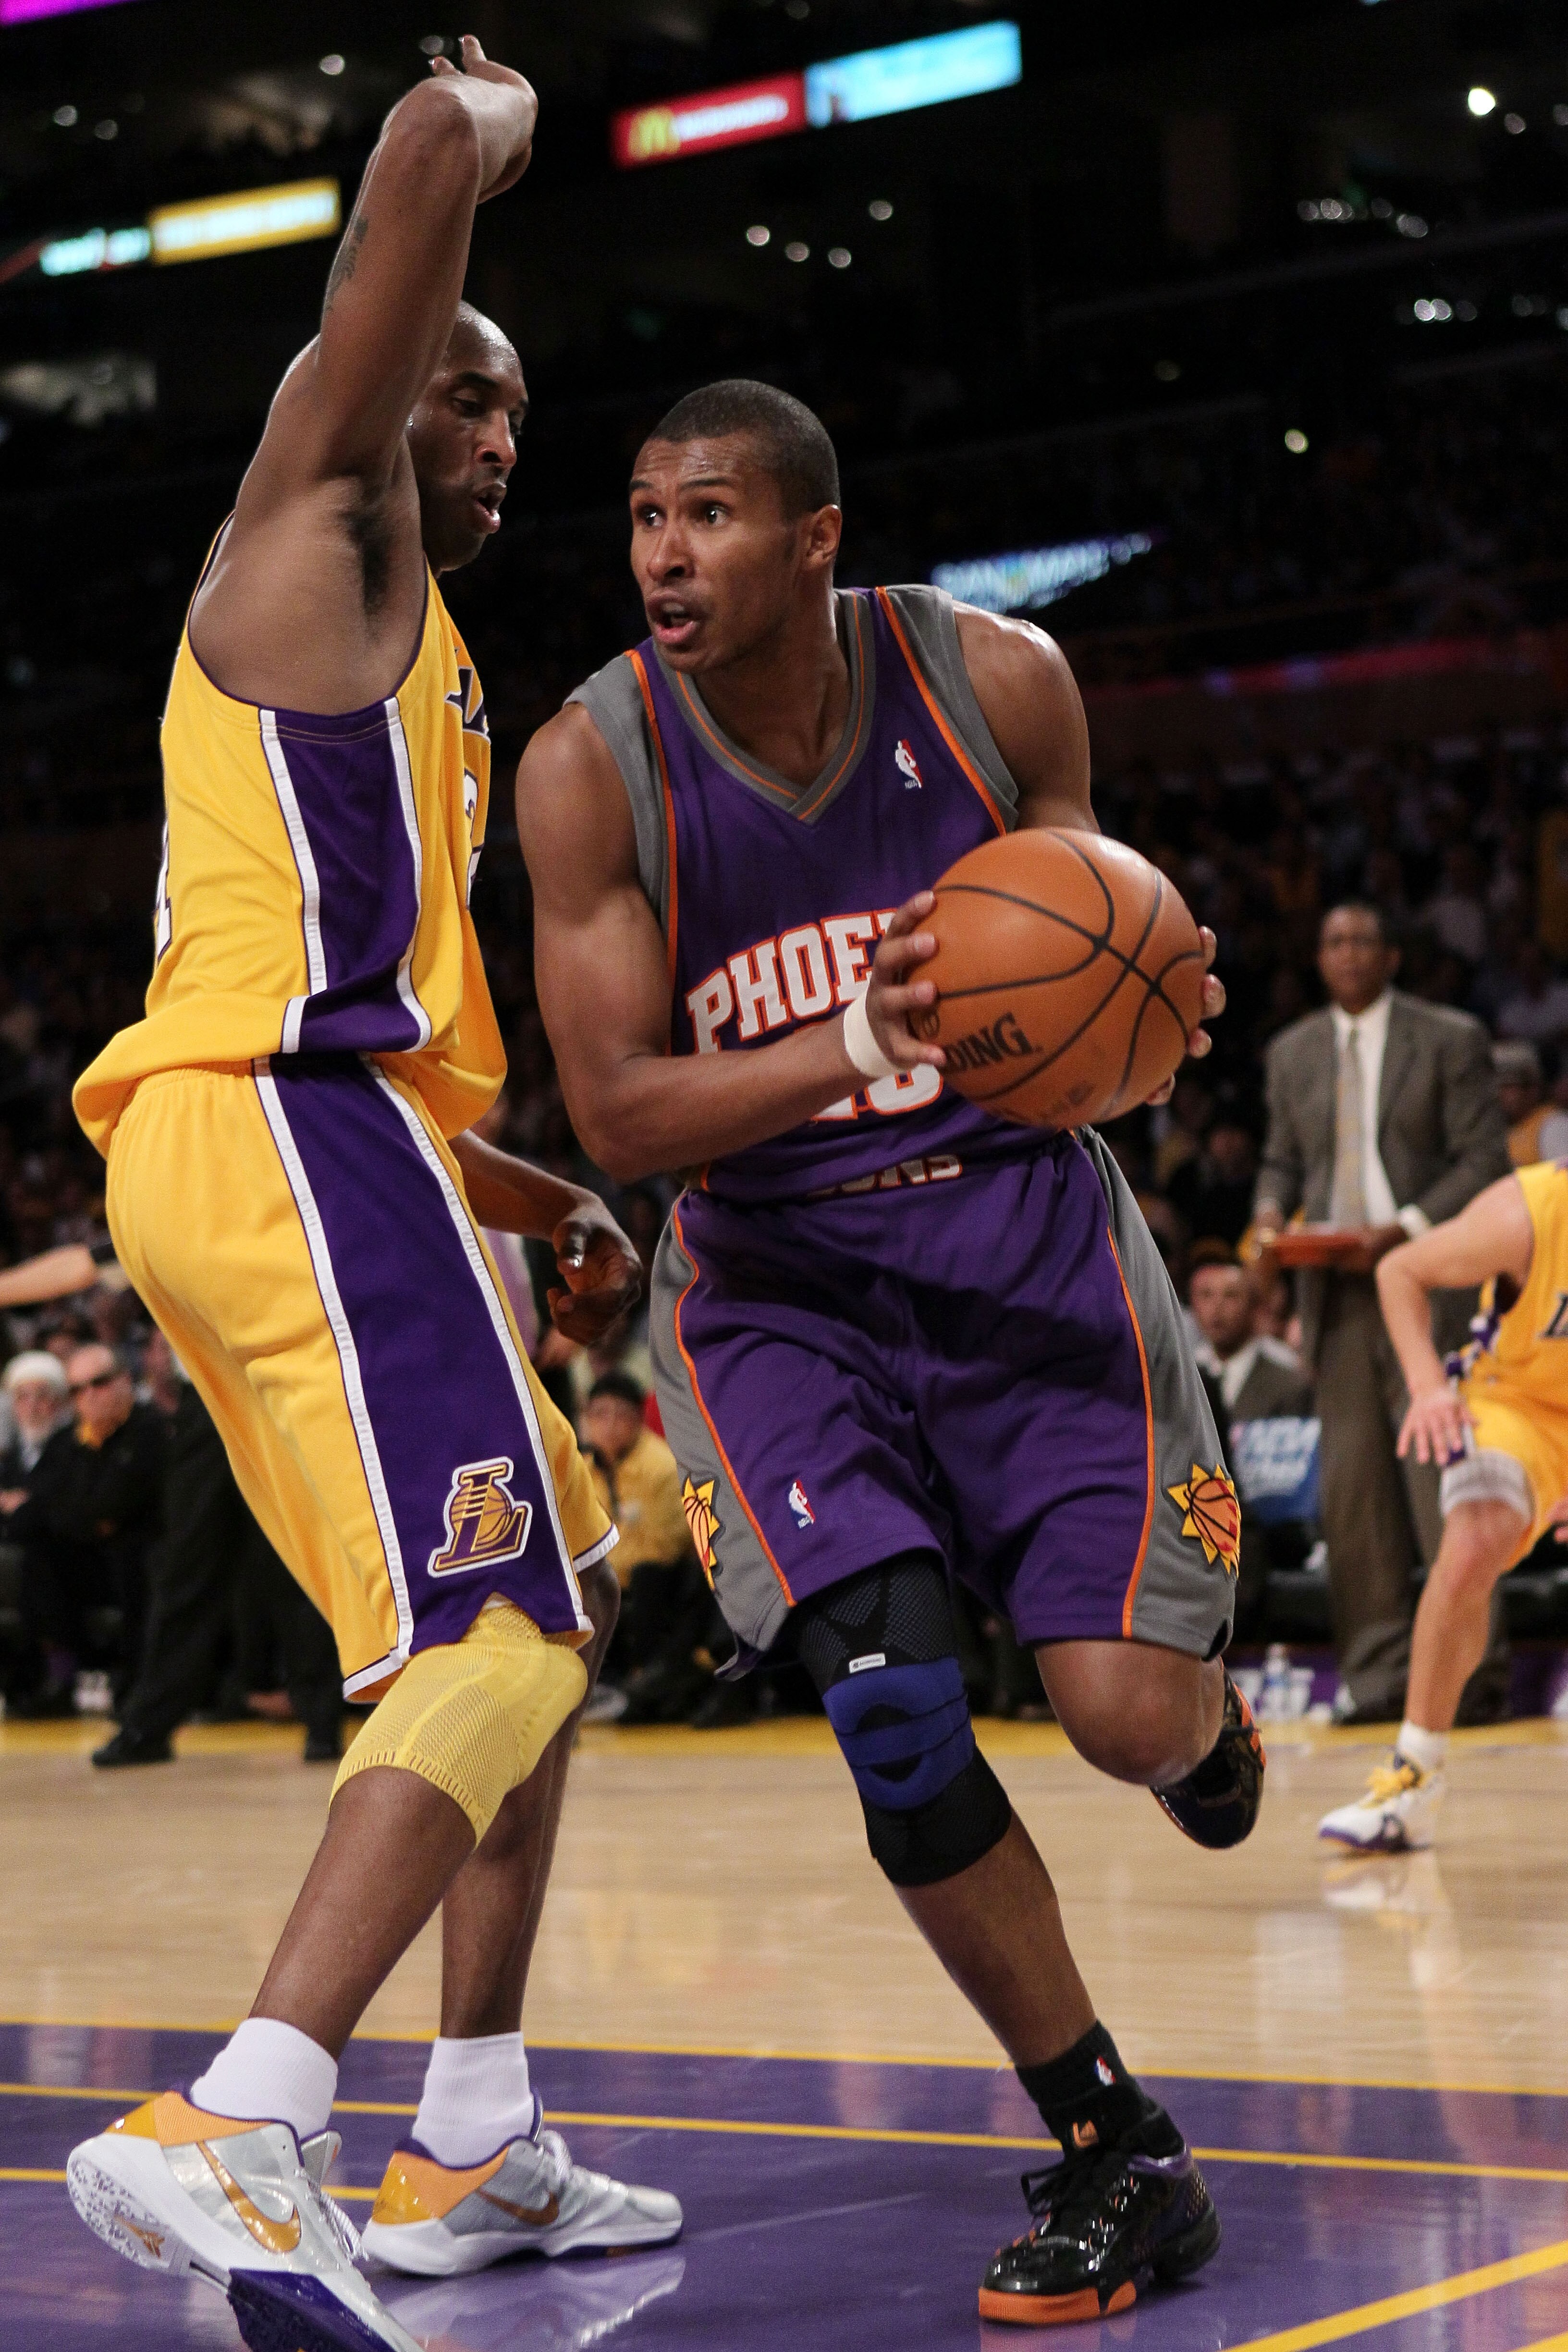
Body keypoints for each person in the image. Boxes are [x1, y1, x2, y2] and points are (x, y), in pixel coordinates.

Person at [517, 376, 1257, 2327]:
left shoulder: (996, 681)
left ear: (817, 536)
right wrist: (856, 1043)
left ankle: (1208, 1719)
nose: (665, 553)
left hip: (1019, 1236)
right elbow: (617, 1111)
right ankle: (1115, 2144)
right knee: (900, 1713)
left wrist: (1142, 985)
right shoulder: (591, 766)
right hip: (778, 1290)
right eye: (644, 517)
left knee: (1118, 1716)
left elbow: (1105, 946)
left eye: (710, 516)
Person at [61, 46, 677, 2352]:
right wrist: (495, 104)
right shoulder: (315, 519)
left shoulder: (421, 660)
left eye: (518, 413)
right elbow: (417, 167)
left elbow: (379, 1025)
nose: (500, 434)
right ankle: (247, 2107)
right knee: (490, 1639)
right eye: (469, 392)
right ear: (383, 387)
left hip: (318, 1146)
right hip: (286, 1133)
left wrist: (534, 1194)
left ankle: (479, 2117)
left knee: (547, 1617)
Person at [1253, 904, 1510, 1723]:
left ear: (1391, 954)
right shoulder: (1288, 1053)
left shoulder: (1448, 1039)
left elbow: (1482, 1161)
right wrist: (1264, 1220)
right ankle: (1374, 1680)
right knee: (1355, 1494)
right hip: (1330, 1292)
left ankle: (1470, 1678)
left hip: (1428, 1283)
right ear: (1318, 958)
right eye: (1332, 940)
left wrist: (1400, 1231)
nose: (1348, 952)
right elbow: (1279, 1163)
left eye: (1364, 938)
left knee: (1442, 1479)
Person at [1318, 1160, 1568, 1849]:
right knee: (1476, 1536)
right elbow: (1399, 1271)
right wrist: (1429, 1388)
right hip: (1518, 1407)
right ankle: (1415, 1776)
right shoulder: (1529, 1212)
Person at [2, 1342, 166, 1717]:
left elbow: (110, 1508)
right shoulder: (67, 1441)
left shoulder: (148, 1432)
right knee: (40, 1558)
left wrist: (60, 1511)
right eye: (78, 1389)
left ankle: (137, 1685)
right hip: (88, 1557)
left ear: (125, 1381)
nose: (89, 1396)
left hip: (139, 1556)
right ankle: (56, 1680)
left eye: (99, 1383)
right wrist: (74, 1515)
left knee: (134, 1558)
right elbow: (46, 1513)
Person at [1188, 1250, 1315, 1642]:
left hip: (1267, 1527)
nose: (1217, 1309)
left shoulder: (1290, 1385)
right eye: (1205, 1297)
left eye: (1230, 1296)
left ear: (1256, 1307)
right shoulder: (1179, 1380)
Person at [580, 1369, 709, 1724]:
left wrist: (602, 1569)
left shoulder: (662, 1467)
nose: (610, 1425)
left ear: (639, 1420)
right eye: (600, 1415)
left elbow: (664, 1548)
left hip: (666, 1583)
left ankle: (651, 1679)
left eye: (621, 1415)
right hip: (612, 1579)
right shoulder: (581, 1468)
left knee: (645, 1576)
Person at [1493, 1041, 1551, 1167]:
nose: (1498, 1094)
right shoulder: (1493, 1128)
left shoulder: (1552, 1124)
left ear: (1533, 1090)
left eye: (1507, 1087)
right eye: (1495, 1087)